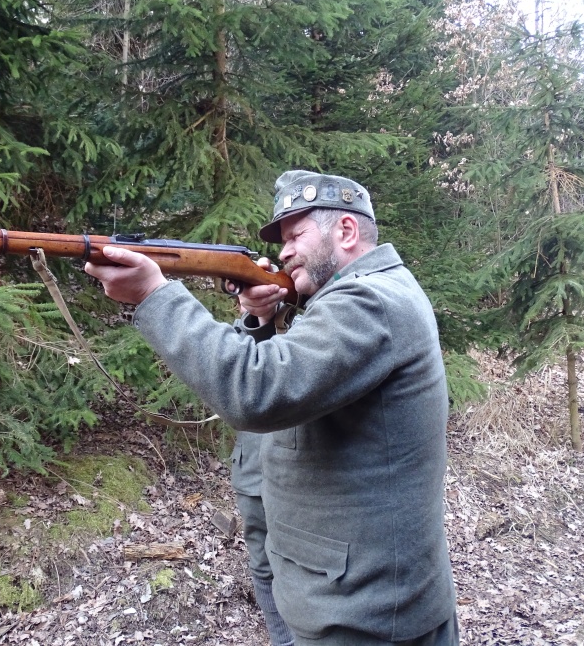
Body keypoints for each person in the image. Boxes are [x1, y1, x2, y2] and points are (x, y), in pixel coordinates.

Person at [85, 170, 459, 645]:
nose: (283, 252)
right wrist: (260, 319)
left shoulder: (369, 301)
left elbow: (256, 392)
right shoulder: (358, 294)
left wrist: (154, 296)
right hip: (346, 597)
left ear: (346, 231)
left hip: (364, 616)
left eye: (296, 235)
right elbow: (294, 380)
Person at [231, 430, 293, 646]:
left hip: (295, 476)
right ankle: (282, 640)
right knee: (262, 564)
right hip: (250, 469)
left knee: (303, 565)